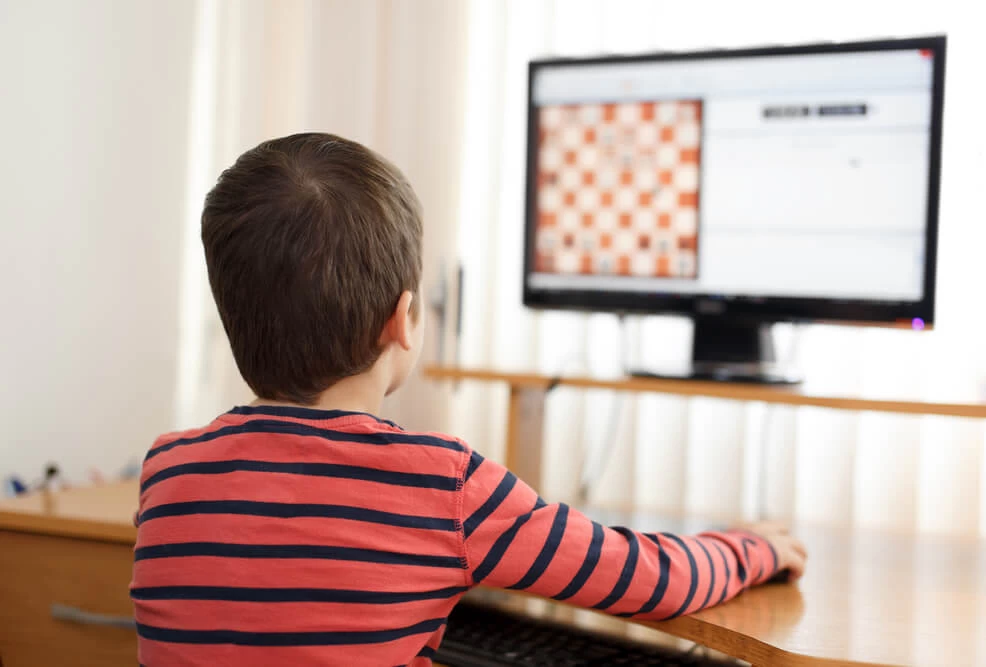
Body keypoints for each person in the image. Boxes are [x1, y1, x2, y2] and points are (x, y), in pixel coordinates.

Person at [131, 132, 807, 666]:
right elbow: (652, 578)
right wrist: (753, 546)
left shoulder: (167, 472)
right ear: (403, 321)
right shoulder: (441, 481)